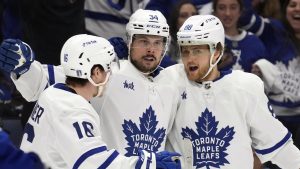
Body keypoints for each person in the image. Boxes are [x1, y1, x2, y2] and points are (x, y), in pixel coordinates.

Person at [0, 9, 181, 169]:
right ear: (130, 41)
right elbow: (45, 81)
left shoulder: (172, 80)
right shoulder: (108, 71)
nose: (151, 49)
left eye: (157, 42)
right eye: (143, 41)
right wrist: (25, 69)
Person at [155, 14, 300, 168]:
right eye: (185, 51)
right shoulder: (169, 81)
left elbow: (280, 148)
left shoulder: (246, 87)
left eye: (197, 51)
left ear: (217, 51)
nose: (190, 58)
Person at [240, 0, 300, 152]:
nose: (297, 9)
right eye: (292, 5)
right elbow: (243, 18)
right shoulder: (274, 30)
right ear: (285, 10)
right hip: (275, 119)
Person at [212, 0, 267, 73]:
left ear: (240, 11)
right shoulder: (210, 41)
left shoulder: (254, 42)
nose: (227, 13)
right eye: (222, 8)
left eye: (233, 7)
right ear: (215, 12)